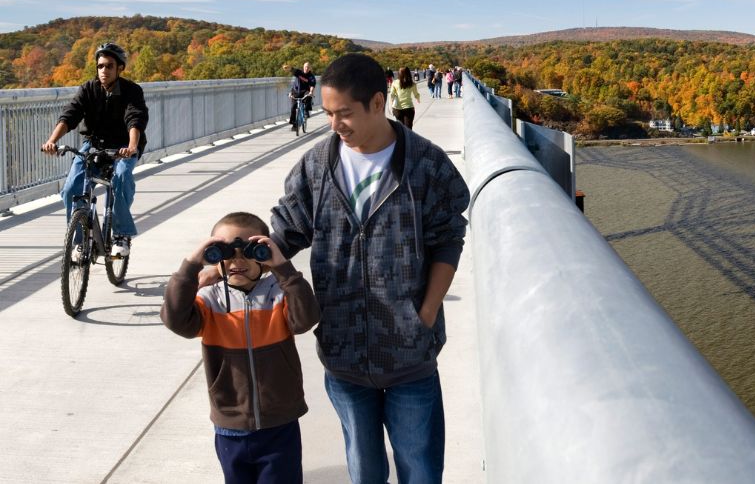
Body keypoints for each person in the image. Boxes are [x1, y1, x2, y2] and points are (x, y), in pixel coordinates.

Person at [269, 53, 469, 484]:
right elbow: (285, 232)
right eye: (327, 113)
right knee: (364, 471)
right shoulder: (316, 166)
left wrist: (427, 313)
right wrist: (236, 259)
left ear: (378, 103)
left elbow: (449, 239)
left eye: (344, 113)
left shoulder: (427, 164)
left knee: (420, 471)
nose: (334, 124)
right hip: (343, 352)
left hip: (410, 351)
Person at [162, 211, 319, 484]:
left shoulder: (279, 294)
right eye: (225, 252)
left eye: (248, 251)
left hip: (279, 424)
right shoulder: (209, 300)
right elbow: (176, 321)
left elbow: (305, 319)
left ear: (263, 253)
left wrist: (282, 267)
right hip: (230, 425)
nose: (237, 260)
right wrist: (191, 266)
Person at [41, 42, 147, 256]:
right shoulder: (88, 89)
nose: (104, 71)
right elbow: (70, 115)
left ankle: (121, 234)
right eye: (100, 66)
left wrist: (132, 146)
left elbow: (134, 118)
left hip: (123, 145)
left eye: (109, 66)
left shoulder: (131, 91)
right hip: (94, 144)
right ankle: (80, 241)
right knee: (72, 188)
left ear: (120, 68)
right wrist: (51, 140)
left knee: (122, 177)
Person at [285, 62, 317, 133]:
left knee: (308, 96)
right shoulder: (299, 72)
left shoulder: (311, 76)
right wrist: (288, 68)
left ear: (310, 68)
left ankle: (306, 111)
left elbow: (312, 85)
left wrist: (311, 92)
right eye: (305, 67)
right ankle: (294, 124)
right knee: (293, 107)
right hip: (296, 91)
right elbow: (293, 70)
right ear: (303, 67)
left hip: (305, 91)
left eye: (308, 67)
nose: (306, 68)